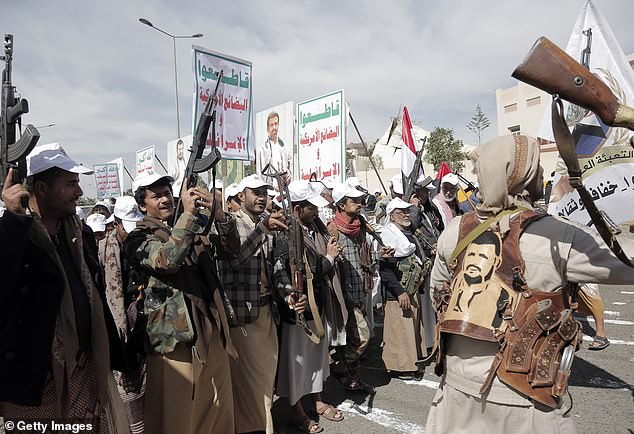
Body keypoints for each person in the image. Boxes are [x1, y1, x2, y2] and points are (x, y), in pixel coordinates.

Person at [427, 134, 634, 434]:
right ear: (526, 175)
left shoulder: (454, 230)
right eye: (536, 167)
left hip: (455, 393)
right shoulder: (556, 235)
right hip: (524, 398)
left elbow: (438, 295)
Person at [0, 143, 129, 433]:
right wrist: (13, 221)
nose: (79, 193)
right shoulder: (16, 232)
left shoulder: (77, 232)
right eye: (70, 185)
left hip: (85, 370)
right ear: (42, 189)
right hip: (39, 383)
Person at [124, 172, 239, 434]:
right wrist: (187, 216)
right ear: (143, 205)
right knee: (181, 416)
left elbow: (232, 252)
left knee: (218, 408)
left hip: (210, 328)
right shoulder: (137, 238)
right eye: (157, 196)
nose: (165, 199)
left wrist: (220, 216)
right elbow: (167, 260)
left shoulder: (191, 227)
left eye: (167, 193)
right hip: (175, 338)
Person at [274, 180, 346, 434]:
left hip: (318, 304)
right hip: (297, 309)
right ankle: (298, 412)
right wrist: (328, 258)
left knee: (316, 359)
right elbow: (296, 271)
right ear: (296, 208)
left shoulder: (314, 228)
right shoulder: (285, 233)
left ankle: (317, 400)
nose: (315, 211)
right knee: (297, 363)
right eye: (310, 207)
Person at [218, 174, 288, 434]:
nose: (262, 197)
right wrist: (263, 229)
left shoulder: (265, 224)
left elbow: (275, 266)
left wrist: (289, 292)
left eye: (264, 193)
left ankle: (260, 425)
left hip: (265, 311)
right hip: (241, 314)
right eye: (255, 192)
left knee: (265, 380)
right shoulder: (231, 225)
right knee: (251, 383)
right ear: (240, 196)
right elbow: (236, 260)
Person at [327, 182, 394, 393]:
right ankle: (337, 367)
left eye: (359, 200)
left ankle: (351, 378)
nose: (359, 203)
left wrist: (378, 255)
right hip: (343, 293)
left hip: (361, 289)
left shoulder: (360, 226)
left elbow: (361, 258)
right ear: (340, 204)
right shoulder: (333, 228)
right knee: (361, 338)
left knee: (355, 338)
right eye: (353, 200)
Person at [99, 196, 146, 434]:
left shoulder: (144, 243)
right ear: (115, 223)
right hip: (119, 331)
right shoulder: (103, 251)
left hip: (144, 328)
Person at [379, 198, 429, 380]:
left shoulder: (408, 233)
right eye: (402, 212)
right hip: (398, 292)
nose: (407, 215)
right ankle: (400, 366)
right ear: (392, 216)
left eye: (408, 211)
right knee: (399, 330)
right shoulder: (388, 235)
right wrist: (399, 292)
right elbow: (385, 270)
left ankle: (412, 360)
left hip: (411, 288)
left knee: (410, 327)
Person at [257, 111, 291, 185]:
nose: (274, 127)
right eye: (271, 125)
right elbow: (259, 175)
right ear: (267, 128)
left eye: (276, 124)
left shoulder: (284, 147)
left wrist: (288, 177)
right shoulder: (262, 150)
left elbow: (288, 169)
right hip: (269, 192)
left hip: (284, 190)